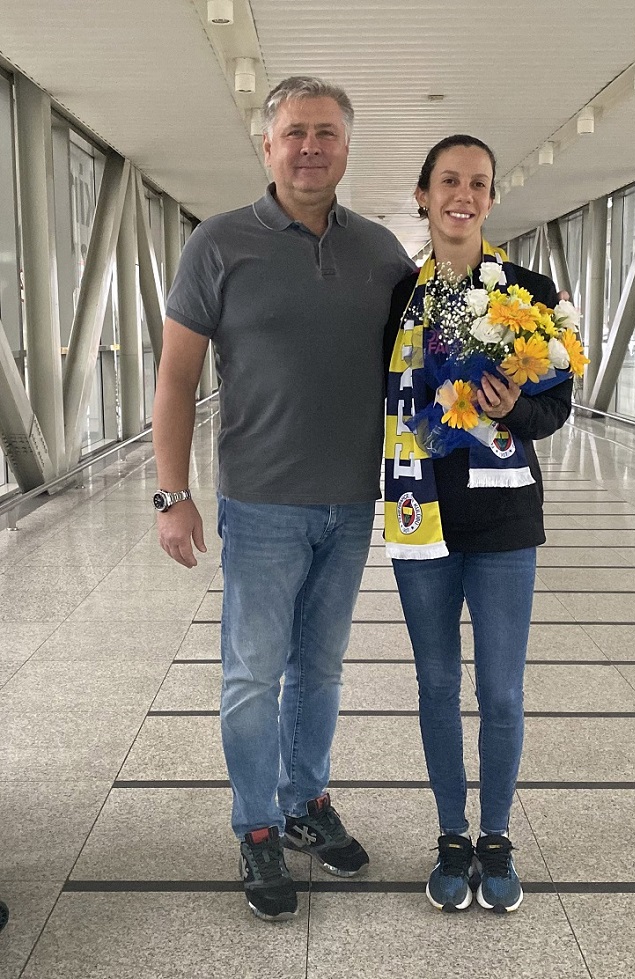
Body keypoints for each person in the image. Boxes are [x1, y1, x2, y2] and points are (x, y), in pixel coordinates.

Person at [153, 75, 414, 921]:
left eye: (326, 133)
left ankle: (307, 800)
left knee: (321, 669)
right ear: (267, 146)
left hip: (352, 502)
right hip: (262, 502)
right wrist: (170, 494)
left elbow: (423, 363)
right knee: (252, 673)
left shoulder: (381, 252)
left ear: (347, 147)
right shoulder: (219, 243)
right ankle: (258, 824)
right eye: (296, 132)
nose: (311, 147)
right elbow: (176, 374)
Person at [383, 135, 573, 913]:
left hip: (503, 521)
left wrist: (514, 407)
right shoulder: (397, 300)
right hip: (418, 517)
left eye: (479, 183)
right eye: (449, 181)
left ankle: (495, 835)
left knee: (501, 691)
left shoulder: (529, 292)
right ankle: (451, 834)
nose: (463, 195)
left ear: (492, 199)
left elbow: (557, 408)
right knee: (436, 685)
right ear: (423, 194)